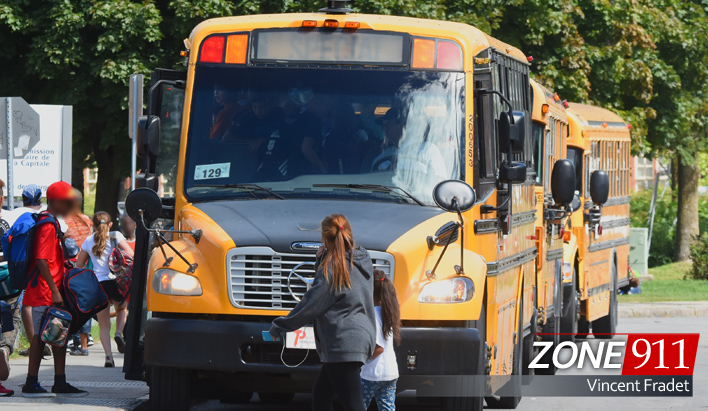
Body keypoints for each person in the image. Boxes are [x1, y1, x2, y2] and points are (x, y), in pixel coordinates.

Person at [269, 214, 375, 411]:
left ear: (325, 239)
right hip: (360, 338)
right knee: (321, 395)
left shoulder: (333, 266)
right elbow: (332, 289)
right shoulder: (363, 259)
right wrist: (322, 262)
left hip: (342, 341)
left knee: (353, 404)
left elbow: (313, 302)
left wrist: (281, 325)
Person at [22, 181, 87, 397]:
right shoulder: (47, 225)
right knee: (41, 338)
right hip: (44, 292)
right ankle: (30, 383)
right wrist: (55, 291)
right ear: (54, 202)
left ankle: (60, 381)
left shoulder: (54, 223)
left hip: (51, 291)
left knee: (59, 335)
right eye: (66, 202)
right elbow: (41, 260)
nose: (70, 206)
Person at [76, 212, 134, 366]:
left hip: (98, 284)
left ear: (93, 225)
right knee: (122, 309)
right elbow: (131, 255)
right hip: (115, 282)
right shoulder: (116, 236)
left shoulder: (88, 240)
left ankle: (109, 357)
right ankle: (118, 333)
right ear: (110, 225)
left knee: (103, 324)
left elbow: (79, 264)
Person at [257, 88, 326, 180]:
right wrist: (322, 167)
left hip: (270, 175)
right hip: (288, 175)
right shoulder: (311, 120)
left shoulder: (278, 119)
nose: (285, 106)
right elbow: (306, 148)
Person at [360, 270, 401, 411]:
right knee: (387, 408)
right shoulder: (388, 312)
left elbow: (378, 347)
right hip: (390, 372)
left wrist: (360, 360)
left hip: (372, 373)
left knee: (358, 405)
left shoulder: (372, 315)